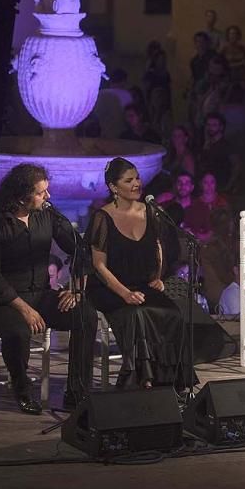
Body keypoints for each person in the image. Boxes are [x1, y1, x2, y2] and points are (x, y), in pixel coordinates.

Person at [0, 163, 96, 414]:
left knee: (85, 315)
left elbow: (80, 250)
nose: (47, 197)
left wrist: (75, 290)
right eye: (41, 193)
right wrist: (24, 309)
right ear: (21, 196)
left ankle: (77, 392)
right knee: (18, 332)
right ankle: (22, 389)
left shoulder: (46, 215)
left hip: (39, 292)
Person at [86, 158, 190, 394]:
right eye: (129, 180)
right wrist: (125, 293)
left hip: (142, 284)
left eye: (137, 178)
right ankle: (141, 379)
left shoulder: (150, 211)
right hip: (109, 287)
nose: (136, 184)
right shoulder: (103, 217)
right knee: (137, 314)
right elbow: (99, 265)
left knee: (172, 313)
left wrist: (158, 276)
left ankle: (168, 380)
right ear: (114, 187)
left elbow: (158, 246)